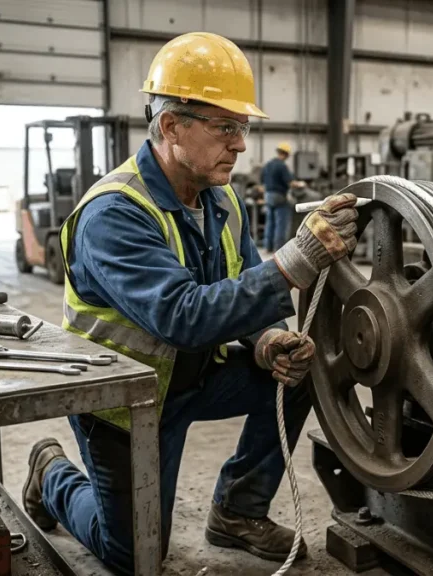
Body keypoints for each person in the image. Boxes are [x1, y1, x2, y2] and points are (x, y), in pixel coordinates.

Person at [19, 31, 359, 574]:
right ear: (172, 126)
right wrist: (299, 259)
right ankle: (51, 474)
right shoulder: (114, 213)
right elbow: (181, 316)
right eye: (226, 127)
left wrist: (270, 338)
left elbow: (246, 278)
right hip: (124, 403)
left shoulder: (219, 199)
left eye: (243, 128)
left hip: (193, 376)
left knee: (304, 371)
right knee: (135, 558)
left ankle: (237, 511)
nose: (241, 144)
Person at [261, 142, 305, 252]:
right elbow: (291, 183)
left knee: (270, 222)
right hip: (279, 196)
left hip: (268, 195)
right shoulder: (282, 166)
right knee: (281, 223)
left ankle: (268, 247)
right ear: (286, 154)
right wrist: (301, 184)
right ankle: (278, 248)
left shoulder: (268, 164)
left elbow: (262, 181)